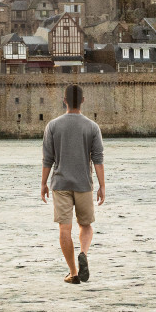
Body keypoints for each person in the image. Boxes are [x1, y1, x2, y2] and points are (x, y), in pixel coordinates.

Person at [41, 83, 105, 284]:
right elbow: (98, 159)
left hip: (61, 184)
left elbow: (47, 159)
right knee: (85, 226)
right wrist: (102, 186)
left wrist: (43, 184)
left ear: (64, 100)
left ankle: (73, 273)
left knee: (64, 229)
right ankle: (83, 252)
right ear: (83, 101)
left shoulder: (52, 126)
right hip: (84, 184)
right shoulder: (92, 127)